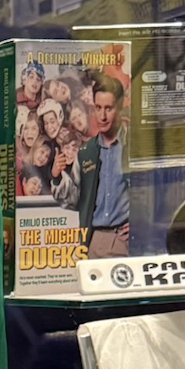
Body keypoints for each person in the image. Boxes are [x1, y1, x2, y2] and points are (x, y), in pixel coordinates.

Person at [77, 74, 129, 258]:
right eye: (98, 108)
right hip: (95, 239)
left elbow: (152, 190)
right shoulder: (87, 151)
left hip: (125, 240)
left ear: (120, 107)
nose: (102, 116)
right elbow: (75, 198)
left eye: (109, 108)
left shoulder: (132, 145)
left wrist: (140, 221)